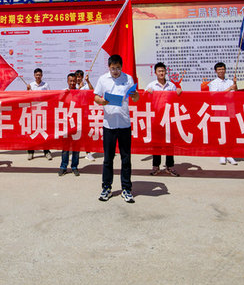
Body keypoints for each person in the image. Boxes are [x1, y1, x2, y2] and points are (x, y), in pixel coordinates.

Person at [94, 54, 139, 203]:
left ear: (121, 67)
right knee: (108, 158)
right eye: (113, 68)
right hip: (109, 125)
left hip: (124, 124)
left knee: (126, 158)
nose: (115, 71)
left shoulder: (128, 78)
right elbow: (96, 97)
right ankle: (106, 188)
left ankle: (126, 189)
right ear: (109, 67)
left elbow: (136, 98)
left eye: (118, 68)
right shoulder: (103, 79)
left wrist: (135, 95)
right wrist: (102, 101)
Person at [145, 62, 182, 176]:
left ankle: (170, 166)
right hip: (156, 118)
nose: (161, 73)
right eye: (159, 71)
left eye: (163, 71)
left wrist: (178, 92)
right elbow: (143, 99)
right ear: (155, 73)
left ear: (166, 72)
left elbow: (177, 99)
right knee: (157, 143)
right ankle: (156, 166)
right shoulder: (151, 85)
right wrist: (147, 93)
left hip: (169, 117)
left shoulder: (171, 86)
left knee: (169, 143)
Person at [208, 62, 238, 165]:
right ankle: (221, 154)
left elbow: (235, 93)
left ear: (225, 70)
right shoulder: (213, 83)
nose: (221, 71)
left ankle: (229, 155)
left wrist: (235, 85)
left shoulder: (230, 81)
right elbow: (215, 95)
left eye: (222, 69)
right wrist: (229, 88)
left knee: (229, 133)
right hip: (219, 110)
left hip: (230, 109)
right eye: (219, 69)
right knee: (221, 133)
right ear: (216, 71)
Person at [26, 68, 52, 161]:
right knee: (32, 132)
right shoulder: (31, 85)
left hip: (43, 111)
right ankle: (30, 152)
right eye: (36, 75)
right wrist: (28, 90)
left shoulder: (45, 85)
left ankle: (46, 151)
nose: (38, 76)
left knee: (44, 132)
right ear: (34, 75)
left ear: (42, 75)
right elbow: (27, 97)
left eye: (39, 75)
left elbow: (50, 96)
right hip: (33, 111)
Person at [58, 73, 81, 177]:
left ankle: (74, 167)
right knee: (65, 148)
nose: (72, 83)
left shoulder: (80, 92)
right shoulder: (64, 91)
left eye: (74, 81)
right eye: (70, 81)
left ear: (76, 81)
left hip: (77, 123)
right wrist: (64, 95)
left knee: (76, 147)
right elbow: (57, 102)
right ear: (67, 81)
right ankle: (63, 167)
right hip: (66, 123)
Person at [76, 69, 96, 161]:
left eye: (80, 77)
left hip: (85, 113)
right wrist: (78, 89)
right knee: (75, 134)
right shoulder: (73, 86)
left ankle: (88, 153)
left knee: (86, 133)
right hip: (75, 113)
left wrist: (88, 81)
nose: (78, 79)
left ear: (82, 77)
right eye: (77, 77)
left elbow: (93, 91)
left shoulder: (86, 85)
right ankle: (75, 153)